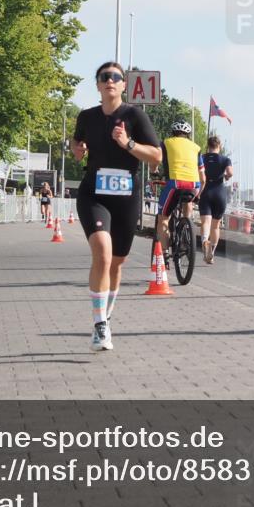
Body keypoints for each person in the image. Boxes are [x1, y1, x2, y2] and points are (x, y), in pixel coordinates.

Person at [73, 62, 161, 352]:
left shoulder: (134, 116)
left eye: (115, 77)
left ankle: (106, 317)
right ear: (98, 84)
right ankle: (100, 325)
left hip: (126, 197)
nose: (110, 80)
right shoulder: (87, 117)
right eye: (104, 77)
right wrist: (77, 150)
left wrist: (128, 144)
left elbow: (156, 156)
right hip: (94, 194)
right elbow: (76, 145)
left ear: (124, 84)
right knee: (102, 253)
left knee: (117, 262)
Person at [156, 121, 205, 260]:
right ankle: (185, 229)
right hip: (194, 185)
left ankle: (165, 253)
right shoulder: (196, 148)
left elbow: (155, 159)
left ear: (173, 133)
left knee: (163, 219)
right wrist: (199, 195)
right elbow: (203, 178)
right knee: (187, 203)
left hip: (175, 184)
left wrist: (154, 172)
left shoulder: (166, 143)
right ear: (188, 135)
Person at [198, 134, 233, 264]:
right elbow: (230, 173)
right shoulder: (225, 159)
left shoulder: (202, 158)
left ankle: (204, 241)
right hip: (219, 192)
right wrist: (226, 176)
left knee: (205, 222)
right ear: (219, 146)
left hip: (205, 191)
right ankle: (211, 253)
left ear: (208, 146)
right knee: (216, 225)